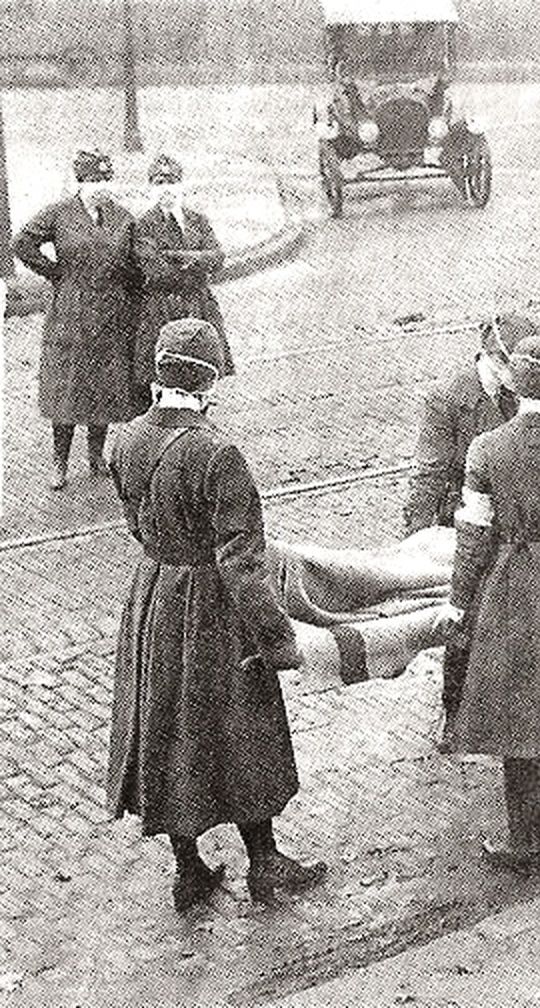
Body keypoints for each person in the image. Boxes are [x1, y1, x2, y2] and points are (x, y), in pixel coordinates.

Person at [107, 318, 327, 911]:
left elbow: (136, 525)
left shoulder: (124, 440)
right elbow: (242, 561)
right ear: (208, 382)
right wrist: (277, 640)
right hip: (212, 606)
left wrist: (168, 558)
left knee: (167, 727)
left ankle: (189, 869)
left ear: (159, 373)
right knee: (240, 725)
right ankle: (265, 862)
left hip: (155, 594)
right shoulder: (217, 452)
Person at [434, 332, 540, 877]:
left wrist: (460, 600)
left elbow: (473, 536)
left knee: (519, 713)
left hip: (513, 585)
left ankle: (523, 839)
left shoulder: (486, 449)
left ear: (518, 383)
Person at [405, 312, 540, 727]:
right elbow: (429, 473)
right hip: (465, 523)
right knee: (464, 620)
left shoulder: (522, 395)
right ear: (493, 358)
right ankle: (456, 715)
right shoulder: (447, 399)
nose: (521, 380)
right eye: (515, 369)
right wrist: (416, 542)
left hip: (516, 523)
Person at [13, 148, 140, 491]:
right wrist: (54, 272)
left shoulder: (122, 217)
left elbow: (134, 262)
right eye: (95, 180)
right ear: (80, 182)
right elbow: (22, 242)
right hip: (71, 312)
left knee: (103, 385)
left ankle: (96, 457)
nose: (102, 187)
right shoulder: (59, 213)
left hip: (111, 312)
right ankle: (60, 463)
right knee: (68, 388)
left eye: (107, 180)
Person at [132, 153, 233, 407]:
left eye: (172, 183)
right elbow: (156, 271)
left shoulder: (198, 220)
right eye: (159, 184)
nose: (166, 189)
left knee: (202, 368)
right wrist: (198, 262)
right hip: (162, 308)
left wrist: (180, 256)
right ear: (151, 189)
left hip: (198, 305)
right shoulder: (143, 226)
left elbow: (218, 257)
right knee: (165, 377)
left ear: (181, 185)